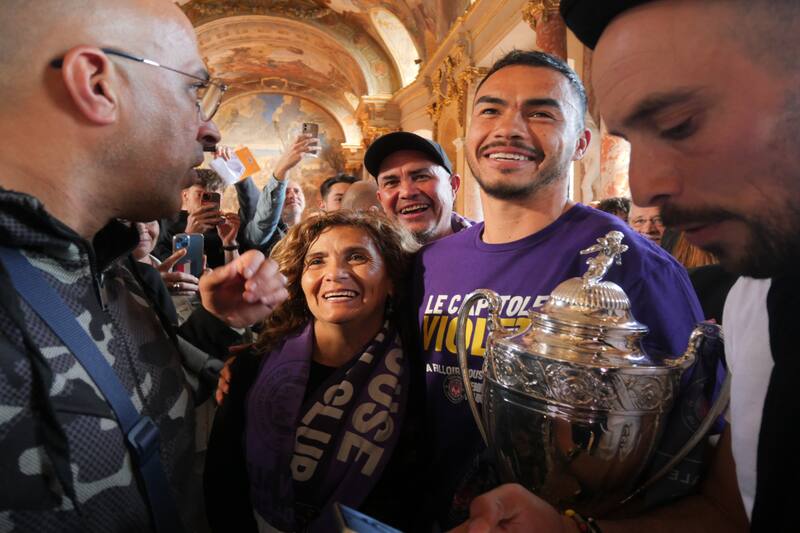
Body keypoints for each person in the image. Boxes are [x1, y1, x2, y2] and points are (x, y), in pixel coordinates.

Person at [458, 1, 800, 531]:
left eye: (680, 125)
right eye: (634, 140)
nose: (642, 188)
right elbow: (732, 509)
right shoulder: (754, 301)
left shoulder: (640, 265)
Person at [0, 1, 288, 530]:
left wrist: (216, 322)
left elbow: (149, 410)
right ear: (97, 84)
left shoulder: (112, 263)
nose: (210, 132)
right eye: (193, 91)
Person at [414, 49, 705, 528]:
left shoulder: (634, 265)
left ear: (581, 142)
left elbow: (697, 452)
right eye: (490, 109)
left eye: (540, 113)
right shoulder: (433, 262)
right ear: (467, 135)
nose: (508, 128)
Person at [204, 210, 424, 532]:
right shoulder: (253, 365)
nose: (335, 273)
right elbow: (223, 481)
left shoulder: (419, 377)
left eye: (357, 257)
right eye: (317, 261)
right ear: (299, 280)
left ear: (391, 279)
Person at [365, 131, 472, 244]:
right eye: (392, 183)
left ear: (453, 186)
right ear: (380, 199)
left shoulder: (489, 246)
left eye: (421, 177)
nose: (407, 192)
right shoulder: (372, 255)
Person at [155, 168, 243, 269]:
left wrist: (229, 243)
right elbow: (179, 274)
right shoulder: (165, 224)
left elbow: (235, 276)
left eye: (214, 196)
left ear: (221, 198)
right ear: (185, 195)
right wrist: (188, 237)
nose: (204, 203)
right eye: (200, 195)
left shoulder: (227, 226)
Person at [243, 134, 315, 253]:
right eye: (285, 192)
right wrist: (283, 169)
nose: (292, 196)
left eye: (297, 191)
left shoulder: (314, 233)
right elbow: (265, 221)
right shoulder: (262, 233)